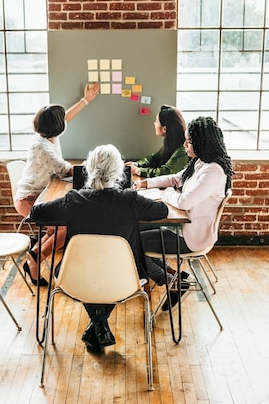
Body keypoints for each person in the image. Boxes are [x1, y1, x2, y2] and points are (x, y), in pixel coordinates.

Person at [30, 144, 186, 353]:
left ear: (89, 169)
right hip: (124, 278)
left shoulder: (74, 199)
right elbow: (162, 209)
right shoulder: (130, 200)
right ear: (119, 172)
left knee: (93, 278)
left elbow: (36, 213)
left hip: (76, 277)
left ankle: (98, 325)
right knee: (119, 265)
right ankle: (99, 325)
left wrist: (67, 204)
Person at [134, 116, 234, 311]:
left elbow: (184, 200)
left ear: (201, 143)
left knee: (132, 243)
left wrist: (166, 193)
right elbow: (175, 179)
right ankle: (176, 278)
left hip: (191, 237)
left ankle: (174, 282)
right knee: (134, 232)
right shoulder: (200, 162)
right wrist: (146, 183)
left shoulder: (213, 171)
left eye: (189, 141)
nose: (185, 144)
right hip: (182, 227)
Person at [14, 83, 99, 287]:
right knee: (66, 227)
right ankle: (35, 259)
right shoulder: (41, 147)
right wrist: (95, 164)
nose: (65, 122)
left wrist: (85, 99)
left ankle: (35, 257)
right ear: (57, 126)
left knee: (61, 225)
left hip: (42, 195)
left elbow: (66, 117)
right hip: (29, 199)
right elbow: (66, 169)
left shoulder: (47, 134)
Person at [125, 104, 190, 178]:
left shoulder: (183, 148)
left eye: (156, 121)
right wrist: (137, 164)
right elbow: (153, 158)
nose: (154, 123)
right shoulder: (172, 142)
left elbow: (166, 172)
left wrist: (138, 171)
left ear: (164, 129)